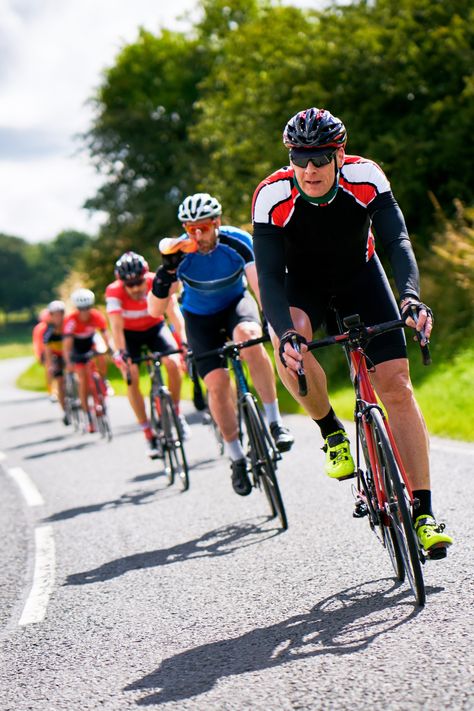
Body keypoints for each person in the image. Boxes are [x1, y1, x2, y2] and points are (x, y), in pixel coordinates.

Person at [251, 107, 452, 555]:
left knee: (396, 385)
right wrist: (285, 335)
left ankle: (423, 513)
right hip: (301, 286)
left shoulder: (366, 177)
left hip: (361, 277)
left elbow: (397, 241)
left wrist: (411, 298)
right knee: (292, 348)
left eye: (320, 158)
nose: (309, 169)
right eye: (299, 158)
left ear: (339, 155)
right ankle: (331, 432)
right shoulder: (271, 194)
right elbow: (267, 276)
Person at [147, 192, 294, 497]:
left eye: (203, 227)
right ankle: (236, 457)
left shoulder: (237, 241)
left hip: (235, 306)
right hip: (199, 318)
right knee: (216, 384)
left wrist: (273, 321)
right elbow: (155, 311)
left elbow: (258, 284)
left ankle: (274, 421)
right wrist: (166, 273)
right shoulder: (180, 252)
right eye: (190, 229)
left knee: (250, 336)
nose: (197, 235)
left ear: (216, 222)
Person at [105, 251, 189, 458]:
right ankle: (148, 432)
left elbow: (174, 315)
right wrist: (122, 353)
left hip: (155, 329)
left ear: (146, 277)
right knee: (131, 375)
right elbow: (116, 327)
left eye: (139, 282)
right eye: (129, 284)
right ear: (121, 282)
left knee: (172, 362)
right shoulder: (113, 292)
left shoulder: (157, 280)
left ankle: (175, 413)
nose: (135, 288)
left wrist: (185, 341)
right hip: (129, 334)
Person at [63, 288, 113, 433]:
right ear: (77, 308)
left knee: (101, 356)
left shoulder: (96, 316)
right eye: (81, 309)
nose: (84, 312)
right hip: (77, 347)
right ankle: (89, 417)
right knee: (83, 381)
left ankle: (103, 379)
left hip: (91, 341)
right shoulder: (71, 320)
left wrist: (109, 349)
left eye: (87, 308)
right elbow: (67, 345)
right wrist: (69, 361)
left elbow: (104, 334)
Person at [42, 300, 68, 424]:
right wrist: (50, 366)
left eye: (60, 314)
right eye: (55, 314)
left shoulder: (69, 326)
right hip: (57, 357)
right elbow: (47, 352)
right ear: (51, 316)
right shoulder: (48, 332)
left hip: (69, 354)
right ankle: (65, 411)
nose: (58, 317)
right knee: (60, 382)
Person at [32, 308, 54, 399]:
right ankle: (51, 390)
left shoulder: (55, 326)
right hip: (45, 352)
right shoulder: (40, 328)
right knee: (49, 371)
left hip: (55, 350)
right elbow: (37, 343)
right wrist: (39, 355)